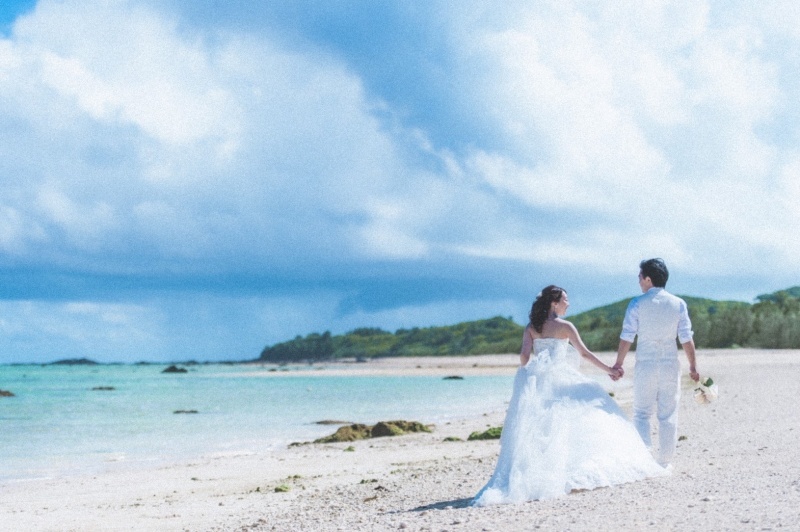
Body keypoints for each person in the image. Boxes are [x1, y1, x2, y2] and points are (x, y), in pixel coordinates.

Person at [473, 285, 667, 506]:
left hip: (539, 380)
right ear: (554, 303)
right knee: (584, 412)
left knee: (540, 429)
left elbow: (524, 357)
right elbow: (584, 353)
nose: (568, 302)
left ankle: (537, 475)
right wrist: (610, 370)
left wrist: (535, 371)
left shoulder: (531, 327)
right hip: (561, 376)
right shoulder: (565, 326)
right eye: (565, 299)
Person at [612, 258, 699, 469]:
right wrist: (693, 366)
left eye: (640, 277)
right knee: (668, 413)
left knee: (642, 413)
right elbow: (686, 338)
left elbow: (627, 337)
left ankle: (645, 460)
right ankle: (665, 462)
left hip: (646, 365)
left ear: (648, 279)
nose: (639, 280)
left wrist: (618, 364)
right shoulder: (678, 304)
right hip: (670, 365)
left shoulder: (636, 304)